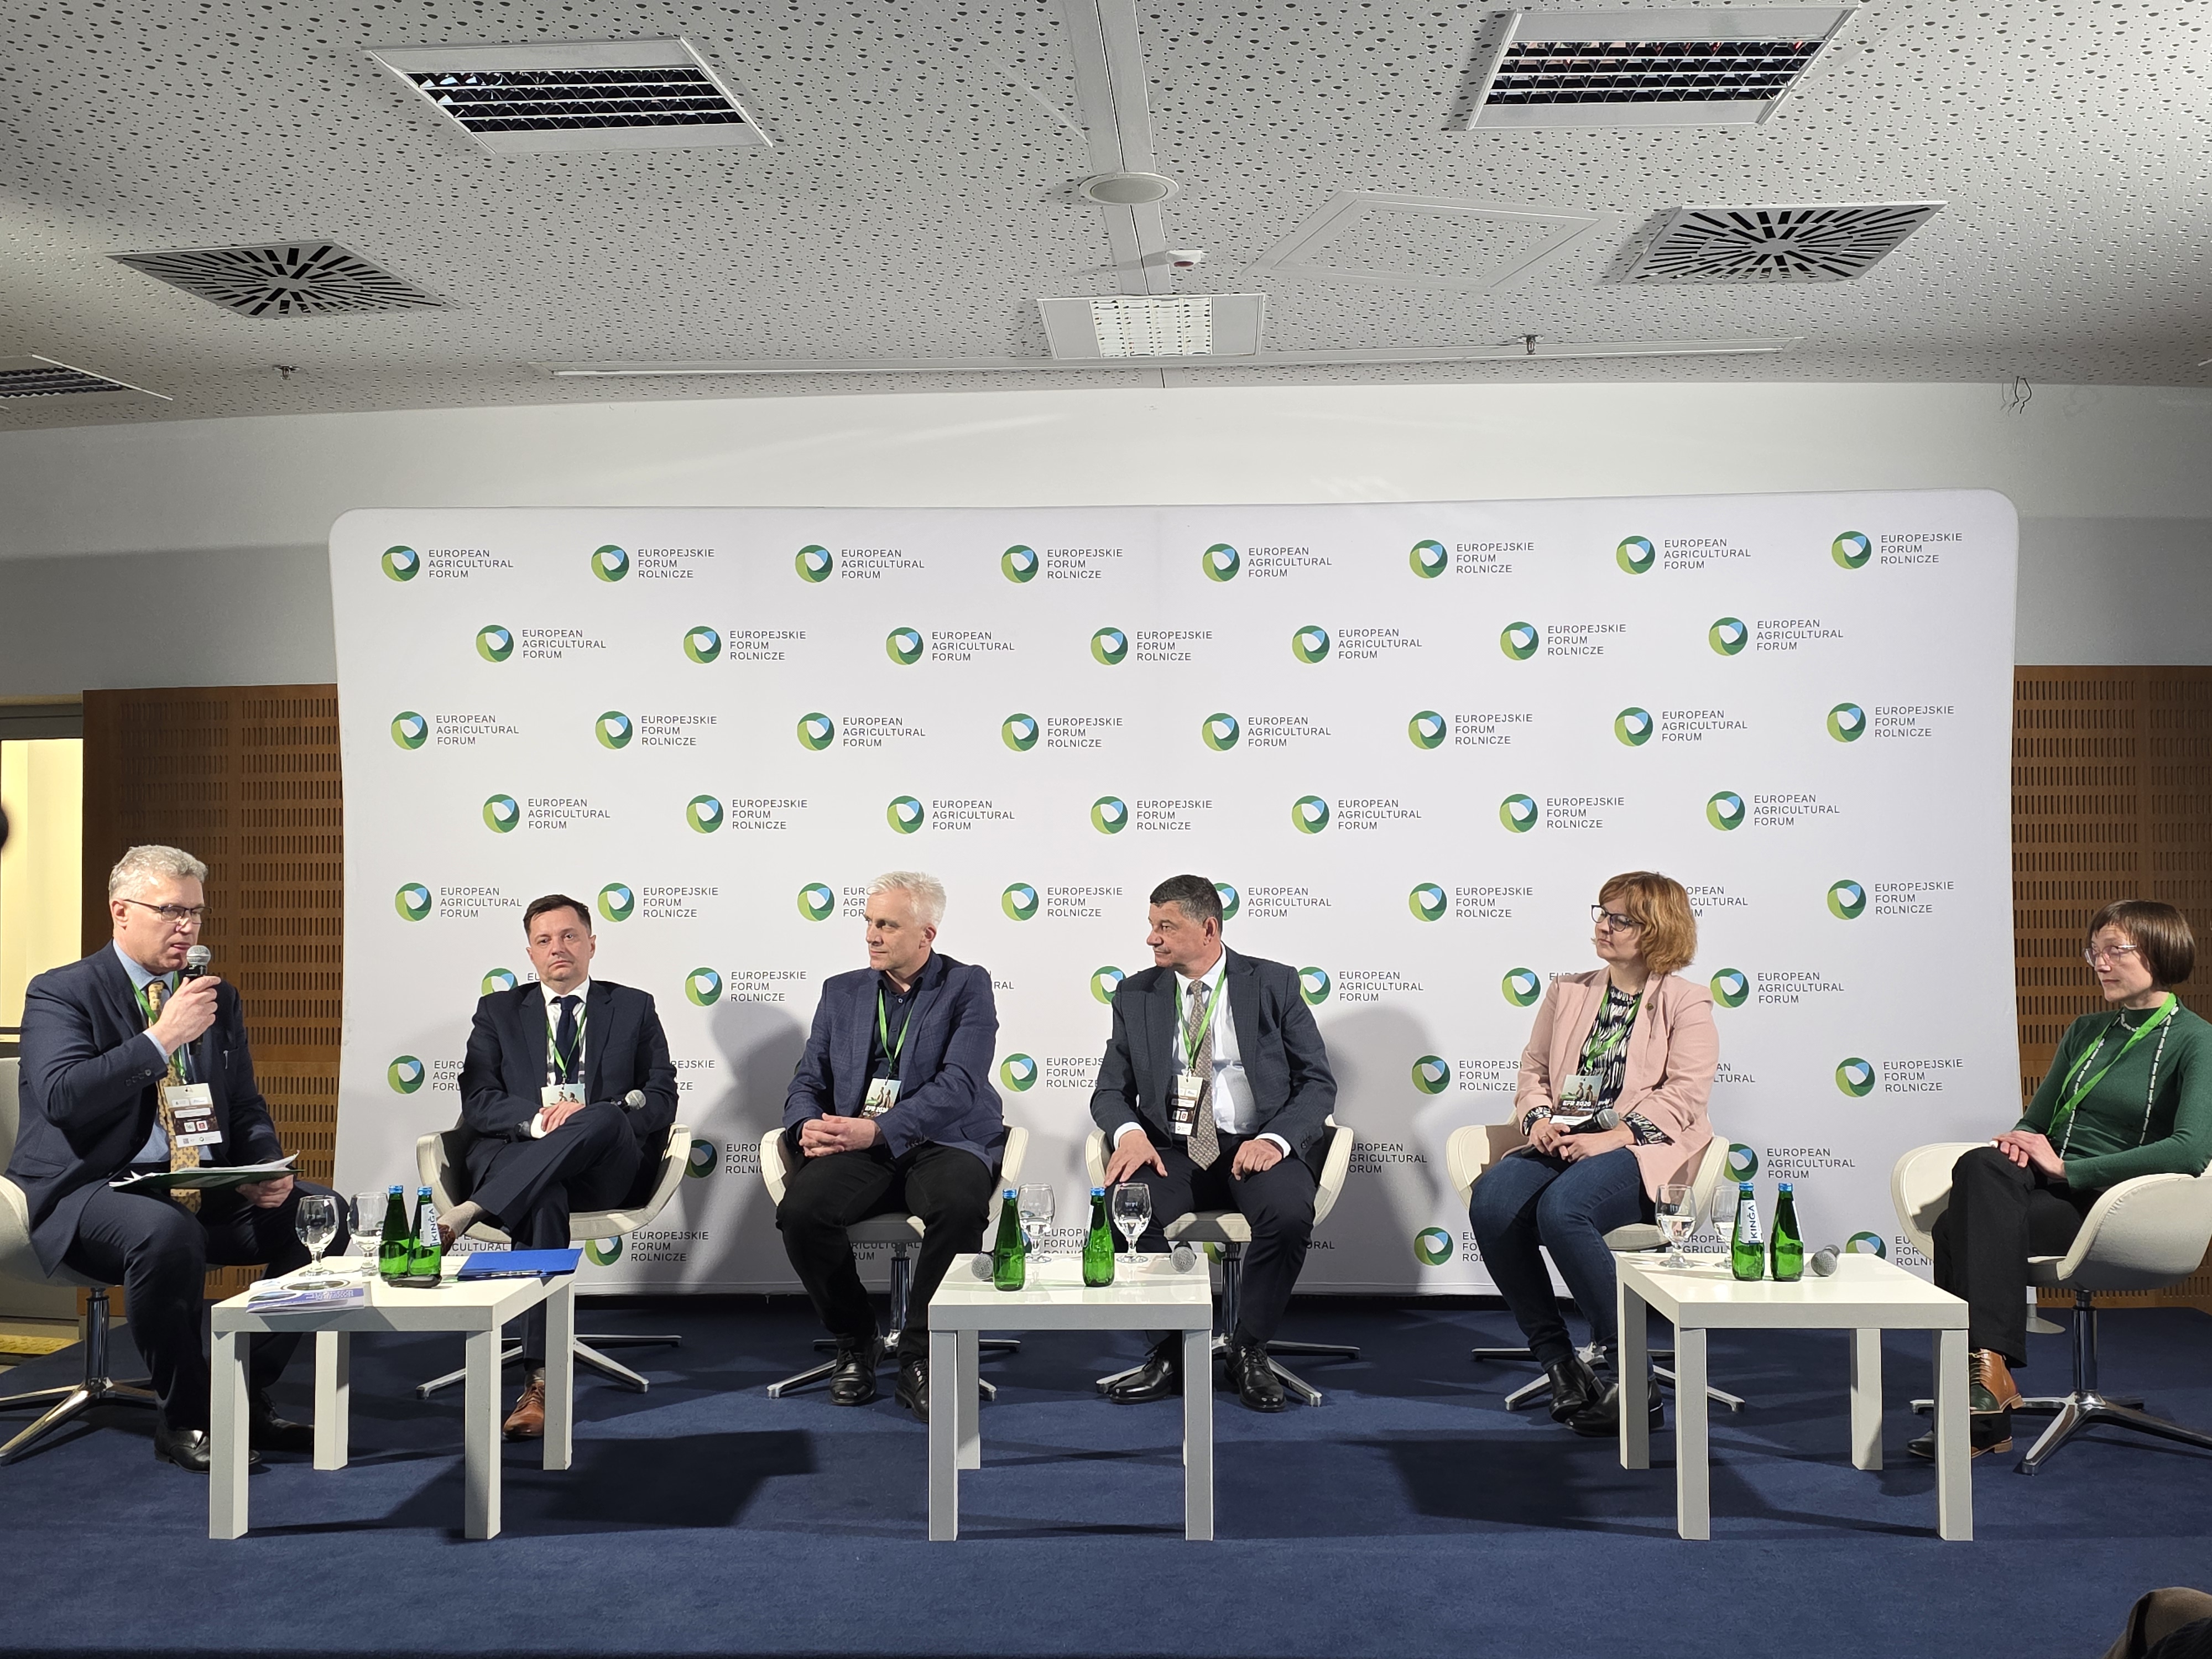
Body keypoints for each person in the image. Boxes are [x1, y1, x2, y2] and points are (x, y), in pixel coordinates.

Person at [8, 844, 347, 1471]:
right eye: (170, 911)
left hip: (194, 1182)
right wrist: (162, 1037)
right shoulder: (63, 991)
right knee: (166, 1233)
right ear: (121, 911)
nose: (187, 927)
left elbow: (243, 1104)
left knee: (321, 1212)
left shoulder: (215, 997)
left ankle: (241, 1394)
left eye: (195, 913)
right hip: (91, 1190)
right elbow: (63, 1098)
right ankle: (186, 1417)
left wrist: (265, 1167)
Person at [1914, 899, 2212, 1460]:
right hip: (2050, 1187)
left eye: (2115, 950)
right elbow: (2036, 1121)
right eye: (2094, 952)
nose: (2100, 963)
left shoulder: (2196, 1040)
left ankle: (1983, 1412)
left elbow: (2191, 1150)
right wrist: (2021, 1142)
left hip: (2115, 1201)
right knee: (1979, 1164)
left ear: (2160, 951)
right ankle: (1989, 1377)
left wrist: (2069, 1169)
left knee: (1956, 1227)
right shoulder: (2086, 1031)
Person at [1467, 872, 1716, 1436]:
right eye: (1602, 913)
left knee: (1563, 1210)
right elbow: (1533, 1069)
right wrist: (1537, 1119)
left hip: (1642, 1146)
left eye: (1621, 919)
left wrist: (1611, 1137)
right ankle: (1560, 1365)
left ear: (1657, 929)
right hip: (1564, 1136)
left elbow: (1685, 1095)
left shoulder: (1686, 1002)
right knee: (1492, 1201)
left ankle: (1634, 1380)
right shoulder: (1568, 991)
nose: (1604, 926)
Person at [1091, 873, 1338, 1412]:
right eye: (1151, 926)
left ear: (1208, 929)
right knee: (1126, 1210)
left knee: (1289, 1216)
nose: (1151, 938)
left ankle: (1248, 1349)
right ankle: (1170, 1352)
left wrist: (1275, 1139)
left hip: (1256, 1145)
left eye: (1165, 927)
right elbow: (1109, 1091)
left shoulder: (1272, 983)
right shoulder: (1135, 994)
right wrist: (1129, 1134)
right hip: (1174, 1149)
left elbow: (1317, 1083)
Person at [777, 871, 1003, 1422]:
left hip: (944, 1138)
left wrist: (879, 1130)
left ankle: (923, 1356)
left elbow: (960, 1085)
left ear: (926, 934)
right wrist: (806, 1125)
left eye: (887, 925)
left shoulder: (967, 985)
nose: (871, 935)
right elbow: (808, 1079)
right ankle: (857, 1342)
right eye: (868, 922)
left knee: (959, 1205)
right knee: (802, 1213)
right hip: (861, 1143)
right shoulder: (841, 991)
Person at [453, 893, 677, 1438]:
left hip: (603, 1167)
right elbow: (479, 1100)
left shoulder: (633, 1006)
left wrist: (592, 1117)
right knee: (544, 1196)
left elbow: (660, 1097)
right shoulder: (498, 1012)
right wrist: (539, 1122)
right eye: (545, 940)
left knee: (604, 1115)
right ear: (530, 953)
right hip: (523, 1155)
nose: (559, 948)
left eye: (570, 936)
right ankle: (541, 1380)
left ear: (592, 944)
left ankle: (474, 1208)